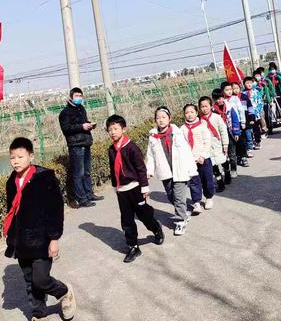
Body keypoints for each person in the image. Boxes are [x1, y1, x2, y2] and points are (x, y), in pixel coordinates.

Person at [4, 137, 76, 321]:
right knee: (29, 281)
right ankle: (39, 313)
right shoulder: (11, 182)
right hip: (21, 241)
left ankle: (65, 292)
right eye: (12, 157)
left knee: (41, 279)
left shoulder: (44, 178)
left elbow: (55, 209)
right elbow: (11, 211)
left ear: (31, 156)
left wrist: (54, 238)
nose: (16, 161)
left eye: (20, 157)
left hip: (42, 239)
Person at [106, 114, 164, 263]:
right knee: (126, 220)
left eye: (115, 128)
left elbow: (140, 169)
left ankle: (156, 228)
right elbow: (113, 170)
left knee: (144, 215)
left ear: (123, 129)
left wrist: (145, 187)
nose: (112, 132)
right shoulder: (111, 150)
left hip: (136, 188)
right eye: (110, 129)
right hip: (122, 190)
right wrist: (115, 186)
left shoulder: (132, 148)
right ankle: (133, 246)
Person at [146, 106, 197, 236]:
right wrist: (149, 170)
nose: (161, 120)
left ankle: (180, 221)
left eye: (164, 117)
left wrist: (192, 169)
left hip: (179, 170)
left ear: (170, 119)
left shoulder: (177, 133)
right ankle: (183, 212)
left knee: (179, 197)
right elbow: (150, 155)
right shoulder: (153, 136)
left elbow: (186, 152)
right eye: (158, 118)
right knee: (171, 195)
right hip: (165, 172)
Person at [59, 87, 103, 208]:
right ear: (70, 98)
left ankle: (89, 194)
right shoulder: (65, 113)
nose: (79, 98)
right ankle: (82, 199)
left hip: (85, 143)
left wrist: (89, 125)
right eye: (76, 96)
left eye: (80, 96)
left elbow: (82, 123)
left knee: (87, 172)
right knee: (79, 173)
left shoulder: (81, 109)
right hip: (75, 146)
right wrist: (81, 127)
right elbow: (66, 129)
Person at [198, 96, 229, 210]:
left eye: (206, 106)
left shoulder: (217, 117)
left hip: (217, 144)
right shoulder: (199, 120)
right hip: (207, 148)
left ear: (211, 106)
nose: (204, 109)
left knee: (224, 161)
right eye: (202, 107)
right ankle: (220, 183)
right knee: (214, 167)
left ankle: (228, 172)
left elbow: (223, 131)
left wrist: (225, 144)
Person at [180, 103, 211, 213]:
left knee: (207, 180)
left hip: (204, 158)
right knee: (194, 182)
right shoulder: (182, 129)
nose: (189, 115)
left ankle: (209, 198)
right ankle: (196, 202)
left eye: (192, 112)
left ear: (197, 113)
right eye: (187, 113)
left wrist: (202, 155)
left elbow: (207, 142)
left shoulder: (202, 126)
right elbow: (182, 145)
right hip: (190, 160)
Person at [212, 88, 241, 181]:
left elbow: (235, 119)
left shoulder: (229, 107)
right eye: (217, 99)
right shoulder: (212, 110)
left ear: (223, 97)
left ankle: (233, 169)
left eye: (221, 98)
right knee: (222, 154)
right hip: (219, 136)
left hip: (229, 132)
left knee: (232, 153)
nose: (219, 100)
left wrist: (236, 132)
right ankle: (225, 169)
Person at [222, 81, 249, 167]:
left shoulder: (235, 98)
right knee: (233, 142)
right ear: (223, 91)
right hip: (229, 125)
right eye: (227, 90)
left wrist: (243, 122)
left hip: (238, 123)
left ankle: (244, 157)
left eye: (230, 89)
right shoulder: (223, 101)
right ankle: (236, 157)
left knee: (241, 141)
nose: (229, 91)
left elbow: (241, 110)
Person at [242, 76, 263, 151]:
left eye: (250, 83)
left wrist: (258, 111)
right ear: (244, 84)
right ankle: (250, 142)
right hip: (247, 115)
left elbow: (260, 102)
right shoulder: (242, 93)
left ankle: (257, 141)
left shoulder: (256, 92)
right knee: (249, 130)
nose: (249, 84)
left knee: (256, 128)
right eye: (247, 83)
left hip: (255, 114)